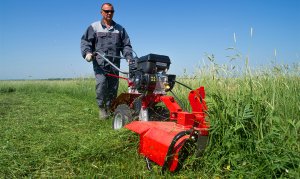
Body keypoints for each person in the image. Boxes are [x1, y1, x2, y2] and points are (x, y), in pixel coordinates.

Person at [81, 3, 133, 119]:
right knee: (101, 85)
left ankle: (111, 108)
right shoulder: (94, 27)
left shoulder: (119, 29)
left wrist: (129, 57)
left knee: (113, 88)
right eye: (106, 11)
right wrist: (87, 53)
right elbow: (86, 42)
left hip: (115, 64)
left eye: (111, 11)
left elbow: (126, 45)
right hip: (100, 64)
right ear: (101, 12)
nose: (109, 13)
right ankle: (102, 108)